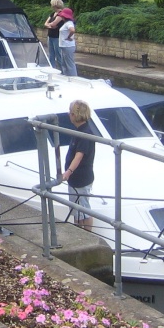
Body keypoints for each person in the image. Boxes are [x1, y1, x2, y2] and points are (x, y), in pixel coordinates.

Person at [62, 99, 95, 231]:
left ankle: (87, 234)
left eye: (70, 113)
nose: (69, 115)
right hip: (75, 179)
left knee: (84, 209)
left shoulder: (84, 133)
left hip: (81, 178)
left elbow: (79, 155)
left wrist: (68, 172)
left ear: (74, 115)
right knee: (77, 209)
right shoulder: (80, 130)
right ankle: (79, 231)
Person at [44, 0, 65, 70]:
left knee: (58, 54)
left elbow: (53, 24)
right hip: (50, 36)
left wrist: (50, 25)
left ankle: (62, 70)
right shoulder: (52, 14)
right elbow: (46, 23)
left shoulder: (61, 14)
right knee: (51, 55)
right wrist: (50, 25)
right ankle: (52, 69)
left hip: (57, 37)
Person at [58, 6, 77, 76]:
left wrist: (68, 37)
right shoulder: (66, 23)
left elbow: (72, 30)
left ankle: (74, 78)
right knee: (64, 63)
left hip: (68, 46)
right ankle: (66, 76)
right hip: (64, 46)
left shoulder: (69, 23)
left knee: (69, 63)